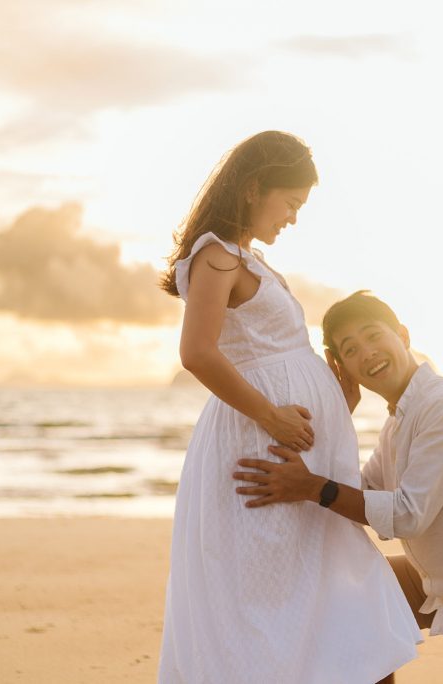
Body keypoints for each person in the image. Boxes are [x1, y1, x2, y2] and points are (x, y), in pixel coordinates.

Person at [157, 134, 419, 684]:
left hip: (286, 445)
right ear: (255, 189)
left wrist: (333, 406)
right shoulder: (217, 255)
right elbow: (196, 353)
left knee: (324, 592)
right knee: (279, 602)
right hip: (259, 442)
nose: (294, 219)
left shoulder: (247, 259)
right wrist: (270, 416)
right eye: (291, 203)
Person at [234, 291, 443, 684]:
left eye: (373, 335)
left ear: (403, 335)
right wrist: (340, 413)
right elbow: (358, 488)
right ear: (344, 368)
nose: (368, 352)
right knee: (353, 605)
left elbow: (406, 515)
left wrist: (312, 487)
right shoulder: (398, 422)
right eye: (351, 349)